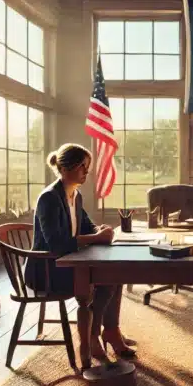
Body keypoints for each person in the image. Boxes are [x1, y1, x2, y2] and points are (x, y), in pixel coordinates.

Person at [25, 143, 136, 361]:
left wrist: (98, 230)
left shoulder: (75, 195)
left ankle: (110, 331)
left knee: (116, 274)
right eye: (83, 167)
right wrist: (96, 238)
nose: (87, 172)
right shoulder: (49, 198)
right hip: (47, 270)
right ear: (66, 168)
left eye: (87, 167)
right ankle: (92, 337)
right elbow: (56, 245)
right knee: (106, 279)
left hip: (68, 264)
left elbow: (86, 225)